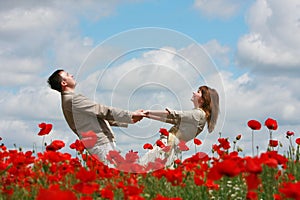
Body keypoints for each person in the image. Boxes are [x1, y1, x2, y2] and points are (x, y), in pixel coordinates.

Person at [47, 69, 144, 165]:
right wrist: (130, 115)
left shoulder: (69, 100)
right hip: (100, 144)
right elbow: (102, 110)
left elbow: (98, 118)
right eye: (67, 75)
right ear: (64, 83)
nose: (71, 75)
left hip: (100, 143)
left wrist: (130, 120)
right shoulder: (73, 100)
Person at [139, 85, 219, 167]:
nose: (194, 92)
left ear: (202, 100)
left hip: (168, 145)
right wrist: (147, 115)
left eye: (198, 92)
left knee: (144, 167)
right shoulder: (200, 115)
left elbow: (175, 115)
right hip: (173, 147)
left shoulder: (198, 114)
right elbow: (172, 120)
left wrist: (148, 112)